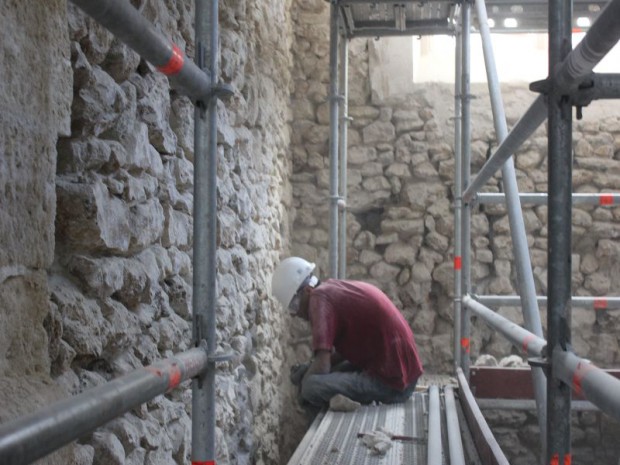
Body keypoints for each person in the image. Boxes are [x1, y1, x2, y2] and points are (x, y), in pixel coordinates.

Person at [271, 256, 423, 407]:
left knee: (311, 387)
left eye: (294, 305)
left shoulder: (318, 301)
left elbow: (323, 366)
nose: (294, 313)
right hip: (400, 372)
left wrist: (304, 385)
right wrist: (309, 367)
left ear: (307, 290)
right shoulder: (331, 289)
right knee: (314, 376)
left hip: (393, 384)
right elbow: (345, 353)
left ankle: (321, 422)